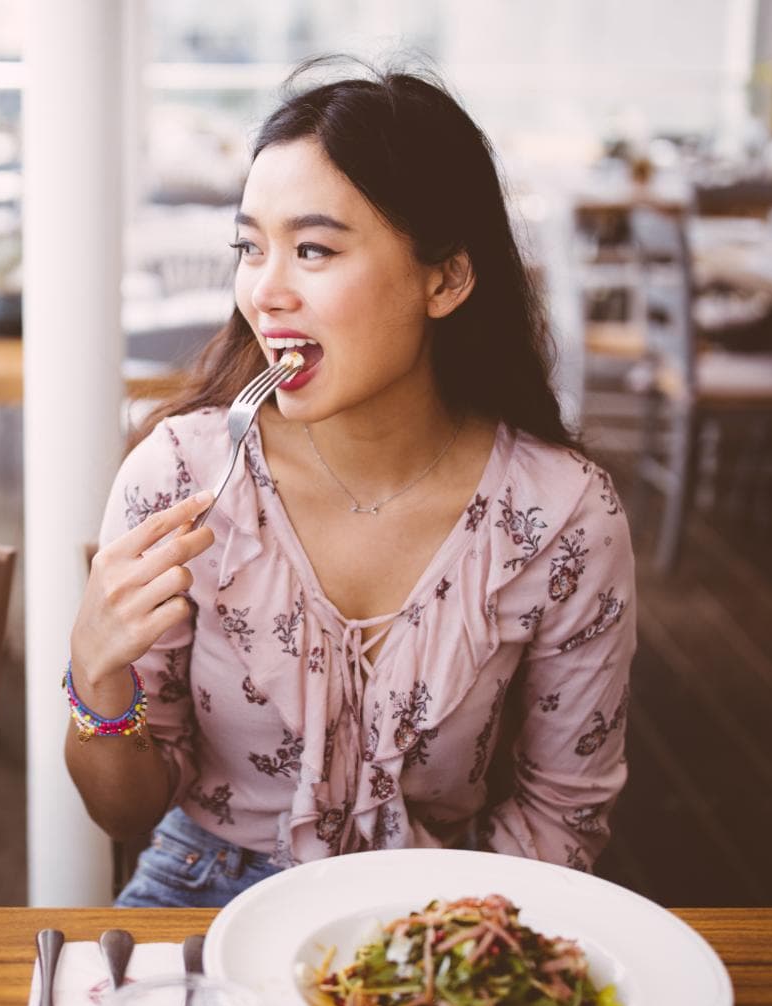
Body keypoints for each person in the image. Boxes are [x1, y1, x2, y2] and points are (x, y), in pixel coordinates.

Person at [66, 61, 636, 907]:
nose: (265, 291)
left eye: (314, 250)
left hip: (448, 911)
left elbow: (564, 809)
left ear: (445, 278)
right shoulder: (182, 474)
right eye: (250, 248)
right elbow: (124, 813)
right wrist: (95, 677)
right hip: (204, 891)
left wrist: (441, 951)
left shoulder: (563, 518)